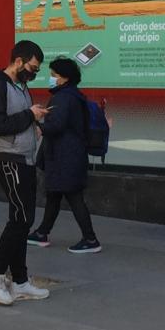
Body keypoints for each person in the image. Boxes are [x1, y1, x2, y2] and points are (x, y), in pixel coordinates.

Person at [0, 40, 50, 306]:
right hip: (9, 159)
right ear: (18, 61)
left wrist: (35, 123)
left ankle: (20, 281)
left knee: (24, 219)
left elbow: (18, 119)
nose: (34, 73)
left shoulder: (20, 86)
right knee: (21, 218)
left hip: (25, 158)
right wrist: (29, 116)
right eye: (32, 68)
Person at [28, 58, 101, 254]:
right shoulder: (74, 95)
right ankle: (42, 233)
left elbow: (57, 125)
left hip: (64, 156)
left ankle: (90, 239)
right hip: (69, 154)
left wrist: (38, 124)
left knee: (74, 197)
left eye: (54, 75)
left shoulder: (63, 97)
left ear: (65, 78)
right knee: (54, 195)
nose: (51, 78)